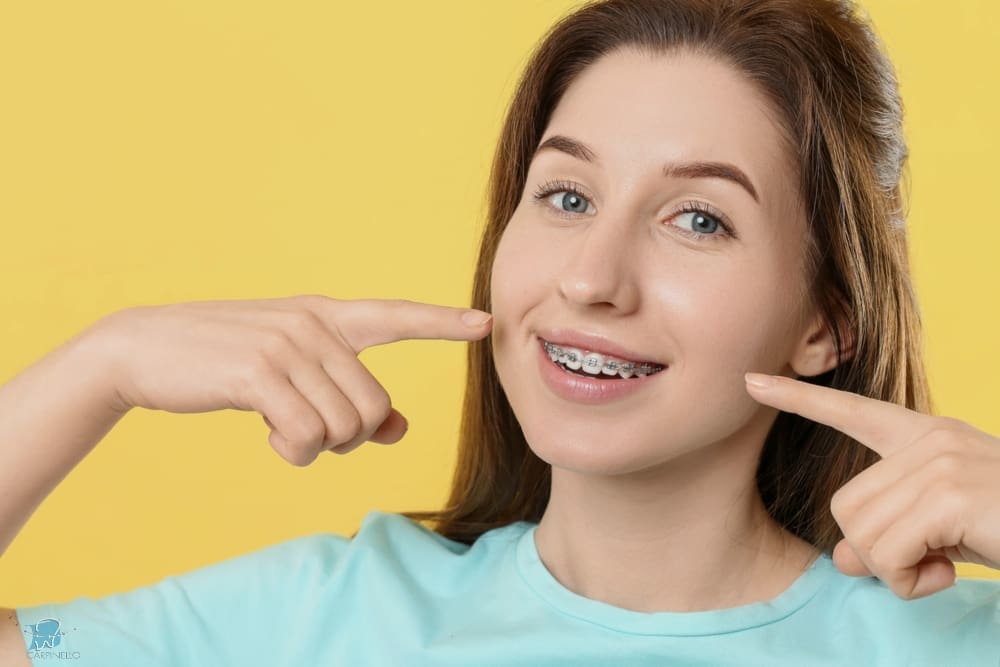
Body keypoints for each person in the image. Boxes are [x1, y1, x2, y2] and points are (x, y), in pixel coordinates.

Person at [4, 0, 1000, 664]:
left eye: (697, 218)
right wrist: (104, 364)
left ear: (826, 322)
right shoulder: (330, 616)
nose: (590, 277)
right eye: (565, 194)